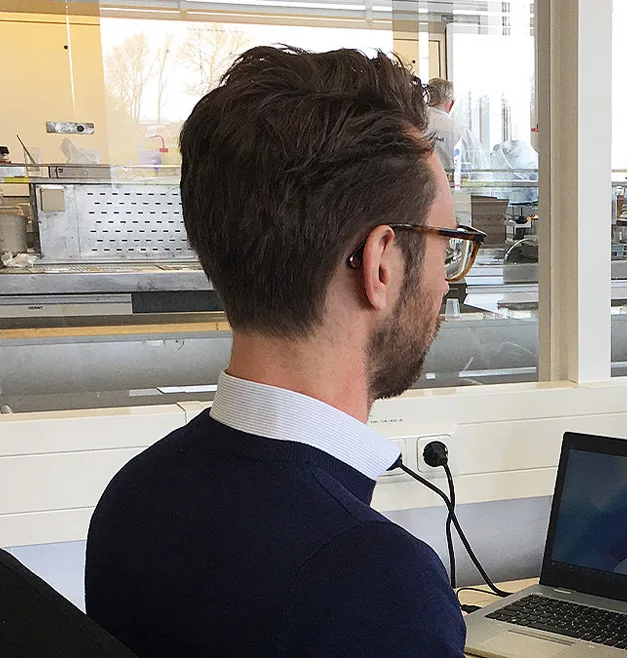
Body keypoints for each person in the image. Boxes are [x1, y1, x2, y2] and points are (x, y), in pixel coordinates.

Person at [84, 46, 478, 657]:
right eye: (446, 244)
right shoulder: (373, 579)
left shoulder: (135, 497)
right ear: (379, 264)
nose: (447, 279)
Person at [425, 77, 485, 172]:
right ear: (452, 104)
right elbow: (482, 175)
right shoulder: (462, 134)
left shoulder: (412, 128)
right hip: (453, 186)